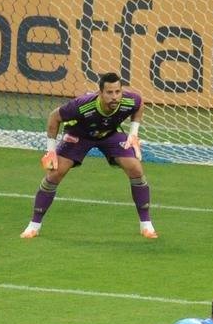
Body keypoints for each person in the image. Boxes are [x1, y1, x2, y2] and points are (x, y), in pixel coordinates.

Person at [21, 72, 157, 239]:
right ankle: (34, 226)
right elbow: (54, 117)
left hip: (108, 135)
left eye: (117, 92)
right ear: (100, 93)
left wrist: (133, 133)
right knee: (55, 173)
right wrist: (51, 151)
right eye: (109, 92)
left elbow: (140, 105)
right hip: (79, 136)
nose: (114, 97)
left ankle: (146, 225)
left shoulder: (130, 100)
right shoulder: (82, 105)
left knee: (135, 168)